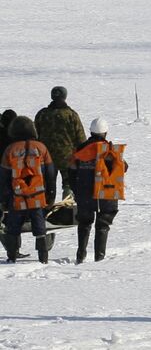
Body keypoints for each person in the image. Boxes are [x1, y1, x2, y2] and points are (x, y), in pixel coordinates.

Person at [69, 117, 127, 263]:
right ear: (106, 133)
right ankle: (99, 259)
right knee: (103, 225)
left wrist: (76, 190)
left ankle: (80, 256)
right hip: (106, 194)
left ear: (91, 131)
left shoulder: (80, 150)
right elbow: (123, 167)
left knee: (84, 223)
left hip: (84, 193)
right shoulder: (110, 151)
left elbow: (71, 171)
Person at [1, 116, 58, 263]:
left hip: (17, 197)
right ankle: (43, 257)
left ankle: (11, 256)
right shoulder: (41, 148)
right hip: (37, 196)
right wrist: (51, 195)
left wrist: (4, 199)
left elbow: (4, 177)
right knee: (40, 226)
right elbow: (51, 173)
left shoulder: (10, 150)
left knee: (13, 227)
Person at [34, 86, 84, 198]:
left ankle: (46, 207)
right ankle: (67, 208)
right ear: (64, 96)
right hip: (68, 158)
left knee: (47, 184)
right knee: (68, 185)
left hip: (46, 158)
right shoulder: (71, 115)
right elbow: (80, 139)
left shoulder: (42, 114)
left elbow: (35, 136)